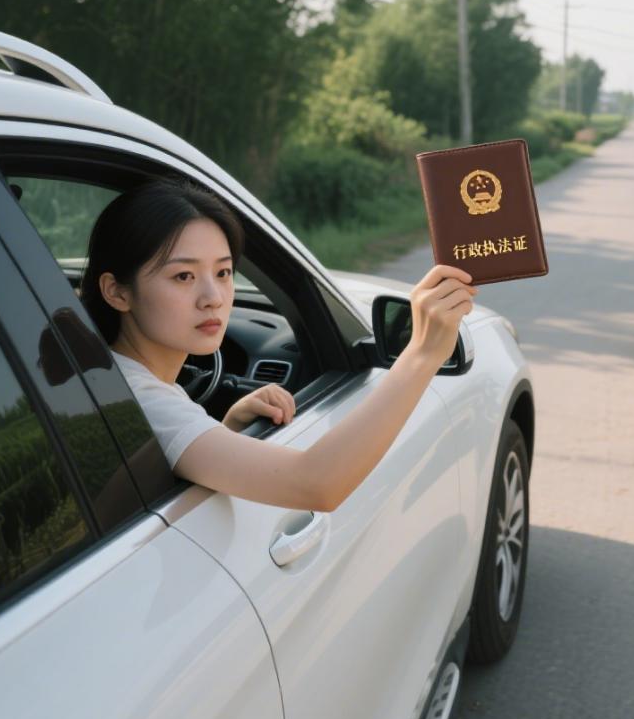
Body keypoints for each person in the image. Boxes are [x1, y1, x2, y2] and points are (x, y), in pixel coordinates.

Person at [80, 178, 476, 511]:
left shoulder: (117, 379)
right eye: (183, 276)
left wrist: (227, 429)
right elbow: (315, 484)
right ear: (117, 292)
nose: (213, 297)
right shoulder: (141, 402)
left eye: (223, 272)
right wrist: (422, 354)